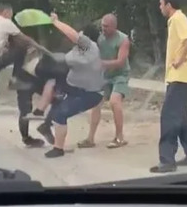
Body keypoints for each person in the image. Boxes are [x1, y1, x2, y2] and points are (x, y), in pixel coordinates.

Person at [34, 14, 106, 158]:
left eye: (80, 34)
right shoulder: (77, 50)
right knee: (53, 85)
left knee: (61, 114)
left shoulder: (89, 46)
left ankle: (58, 148)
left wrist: (55, 22)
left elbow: (72, 34)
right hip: (75, 87)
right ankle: (43, 116)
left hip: (90, 94)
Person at [151, 0, 187, 173]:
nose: (160, 7)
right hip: (178, 77)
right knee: (180, 117)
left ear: (169, 4)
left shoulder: (178, 18)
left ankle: (167, 160)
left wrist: (180, 58)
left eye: (161, 3)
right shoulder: (174, 20)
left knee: (168, 116)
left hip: (180, 77)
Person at [0, 3, 38, 150]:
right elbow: (24, 39)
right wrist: (39, 48)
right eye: (11, 13)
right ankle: (17, 78)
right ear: (5, 12)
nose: (11, 16)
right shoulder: (6, 23)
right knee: (22, 46)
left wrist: (6, 49)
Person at [78, 13, 131, 149]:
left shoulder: (123, 39)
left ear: (114, 27)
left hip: (120, 75)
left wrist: (101, 63)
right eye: (102, 26)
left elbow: (120, 62)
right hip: (104, 76)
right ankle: (90, 139)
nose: (103, 29)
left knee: (114, 101)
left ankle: (119, 137)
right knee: (95, 103)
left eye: (106, 26)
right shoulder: (99, 38)